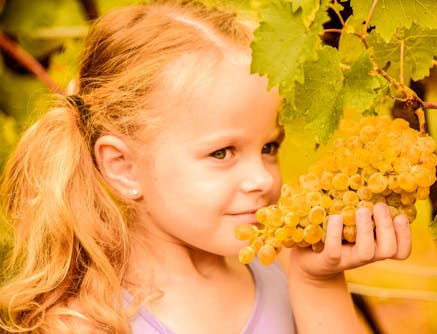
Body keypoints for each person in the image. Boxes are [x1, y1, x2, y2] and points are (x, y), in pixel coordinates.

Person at [0, 1, 412, 333]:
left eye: (269, 146)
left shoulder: (281, 269)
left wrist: (318, 284)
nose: (262, 178)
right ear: (123, 167)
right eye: (222, 153)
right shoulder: (87, 322)